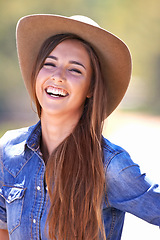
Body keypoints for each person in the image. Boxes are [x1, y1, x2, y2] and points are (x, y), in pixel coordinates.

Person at [0, 14, 160, 240]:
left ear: (91, 89)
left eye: (75, 70)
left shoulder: (109, 165)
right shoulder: (9, 151)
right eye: (49, 64)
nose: (58, 76)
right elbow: (3, 227)